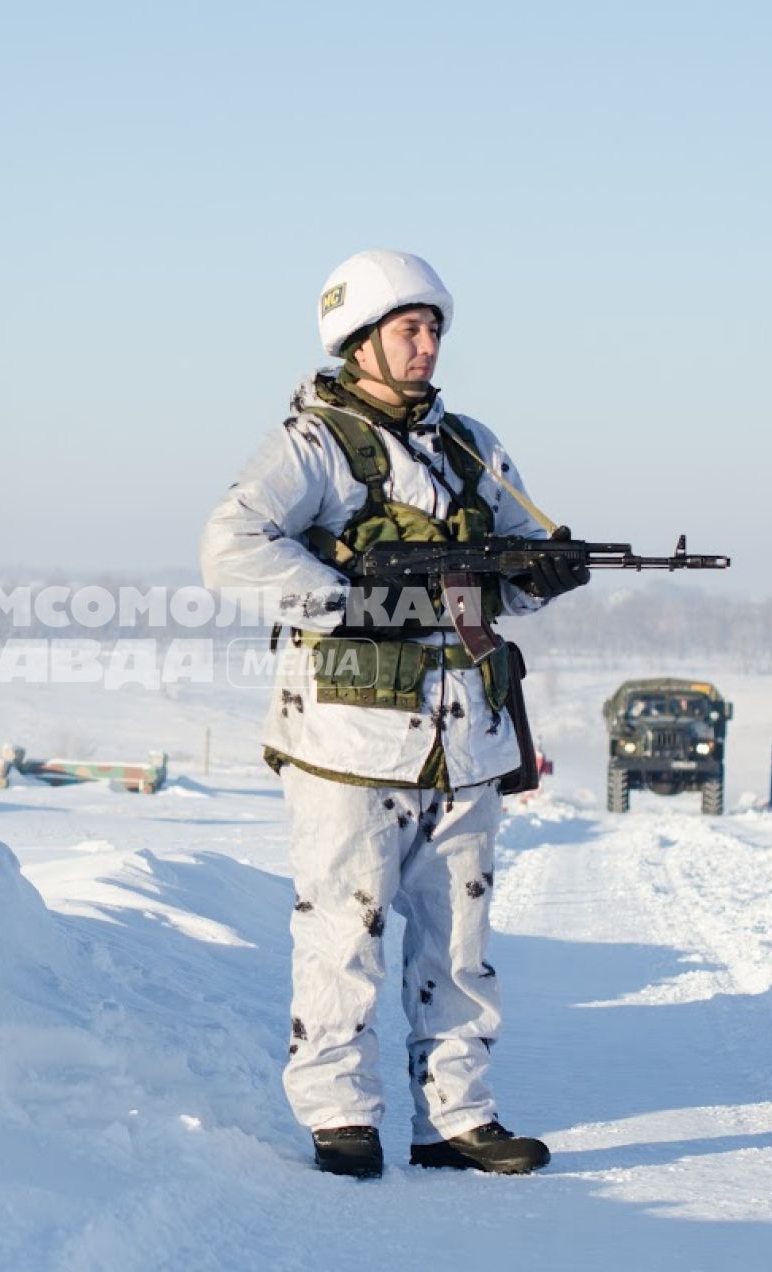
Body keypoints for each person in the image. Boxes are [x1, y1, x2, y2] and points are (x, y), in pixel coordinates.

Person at [199, 250, 589, 1179]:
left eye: (434, 328)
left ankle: (458, 1117)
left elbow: (512, 563)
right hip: (347, 738)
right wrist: (346, 601)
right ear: (359, 339)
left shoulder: (469, 445)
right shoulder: (315, 444)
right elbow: (229, 548)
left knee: (461, 944)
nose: (426, 346)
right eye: (408, 330)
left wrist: (542, 578)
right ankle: (342, 1115)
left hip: (466, 740)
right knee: (344, 930)